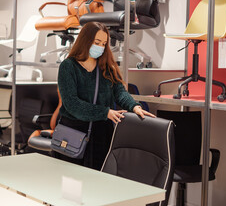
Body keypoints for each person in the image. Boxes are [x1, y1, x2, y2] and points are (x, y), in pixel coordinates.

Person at [57, 22, 155, 170]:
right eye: (97, 42)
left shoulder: (107, 67)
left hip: (101, 134)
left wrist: (134, 106)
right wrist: (105, 112)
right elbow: (72, 104)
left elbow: (120, 92)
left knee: (98, 184)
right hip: (74, 133)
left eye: (103, 43)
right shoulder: (68, 66)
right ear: (85, 40)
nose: (100, 47)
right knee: (72, 186)